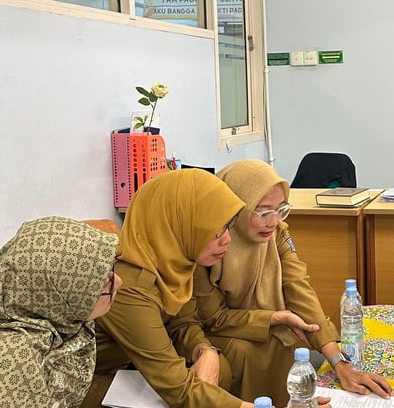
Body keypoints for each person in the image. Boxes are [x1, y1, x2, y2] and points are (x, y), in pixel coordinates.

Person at [81, 169, 333, 408]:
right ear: (179, 224)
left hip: (132, 367)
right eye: (215, 232)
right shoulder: (128, 286)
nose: (227, 240)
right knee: (187, 392)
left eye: (227, 227)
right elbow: (178, 388)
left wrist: (205, 350)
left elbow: (183, 323)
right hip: (93, 381)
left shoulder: (173, 262)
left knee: (217, 365)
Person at [193, 159, 393, 407]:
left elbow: (299, 288)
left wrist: (339, 363)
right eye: (263, 212)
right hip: (209, 335)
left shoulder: (276, 233)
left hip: (256, 325)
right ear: (235, 208)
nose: (273, 221)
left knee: (279, 338)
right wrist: (273, 318)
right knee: (245, 348)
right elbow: (212, 318)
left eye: (281, 209)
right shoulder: (206, 242)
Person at [0, 216, 120, 408]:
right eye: (101, 282)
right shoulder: (12, 362)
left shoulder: (50, 314)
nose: (118, 282)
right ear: (59, 294)